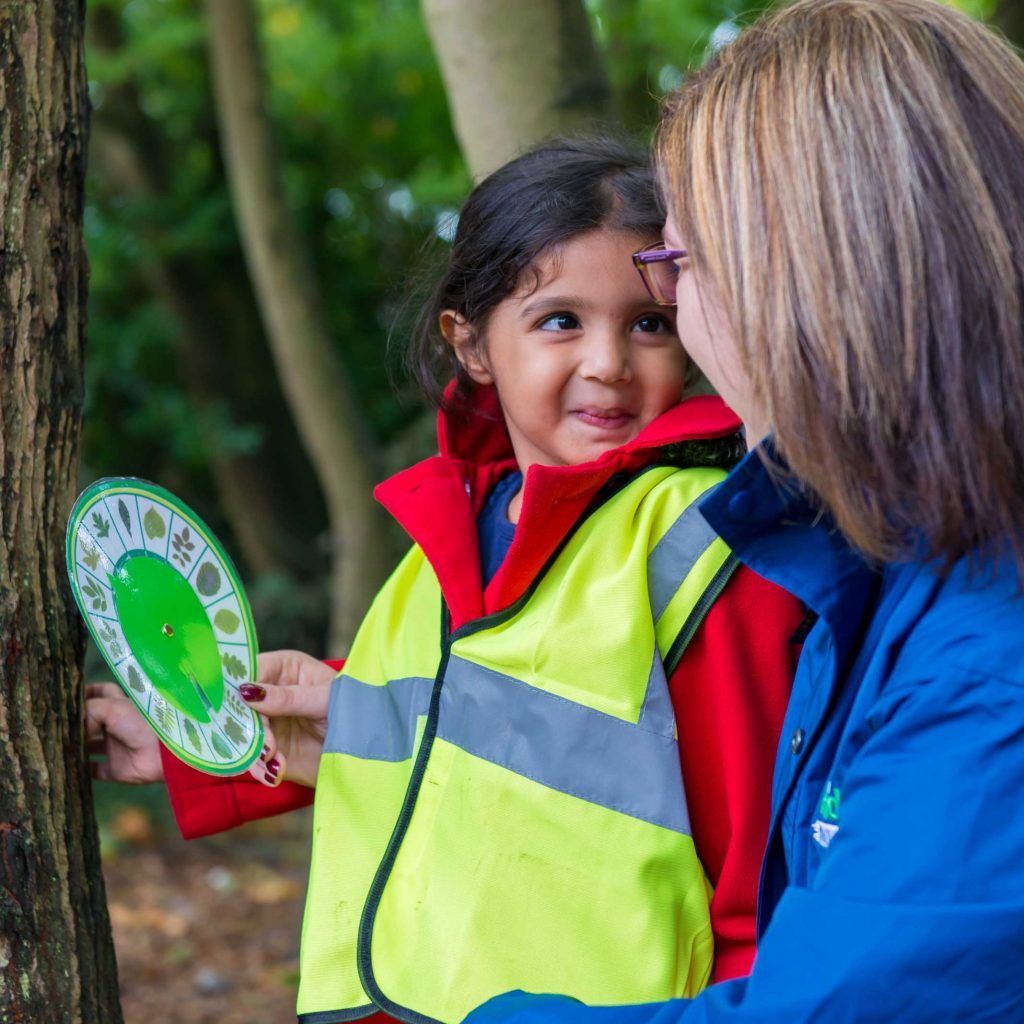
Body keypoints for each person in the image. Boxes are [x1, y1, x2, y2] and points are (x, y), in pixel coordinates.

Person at [86, 138, 803, 1023]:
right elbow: (426, 743)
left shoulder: (707, 539)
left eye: (648, 322)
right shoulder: (446, 538)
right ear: (470, 344)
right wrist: (190, 738)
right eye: (559, 320)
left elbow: (757, 858)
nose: (612, 361)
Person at [461, 2, 1024, 1022]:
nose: (673, 317)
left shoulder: (980, 656)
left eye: (673, 271)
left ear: (806, 279)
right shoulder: (885, 572)